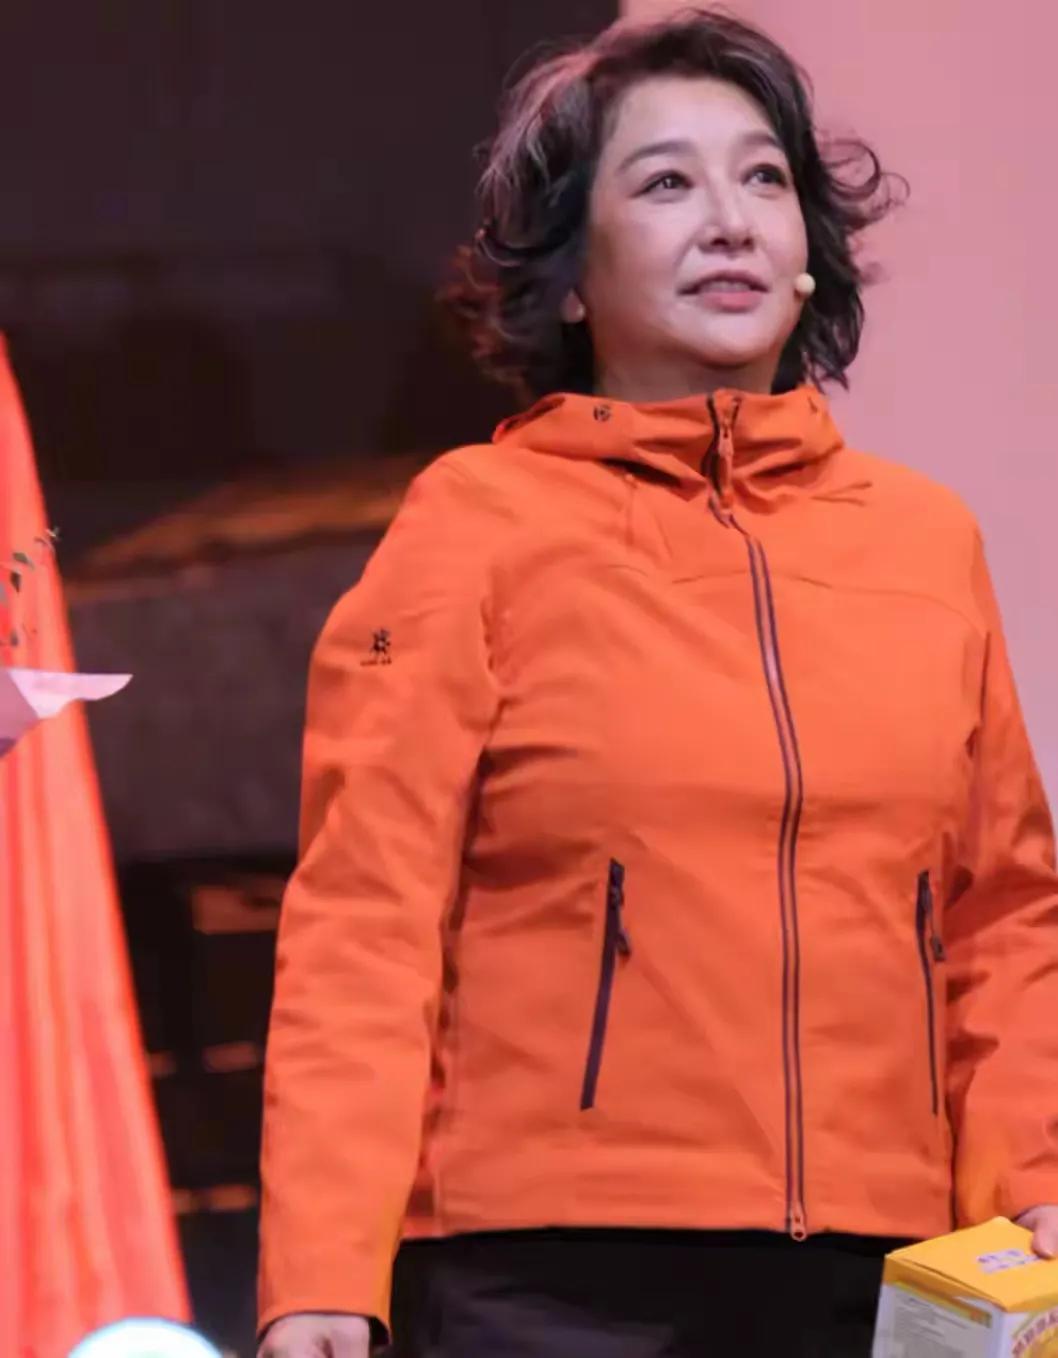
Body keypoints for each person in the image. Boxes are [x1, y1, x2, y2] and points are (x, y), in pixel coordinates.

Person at [257, 10, 1058, 1357]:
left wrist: (1033, 1176)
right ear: (570, 278)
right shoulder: (473, 526)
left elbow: (1003, 916)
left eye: (763, 179)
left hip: (878, 1275)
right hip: (547, 1279)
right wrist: (322, 1268)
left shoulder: (924, 541)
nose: (730, 222)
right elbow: (365, 917)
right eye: (666, 182)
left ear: (808, 251)